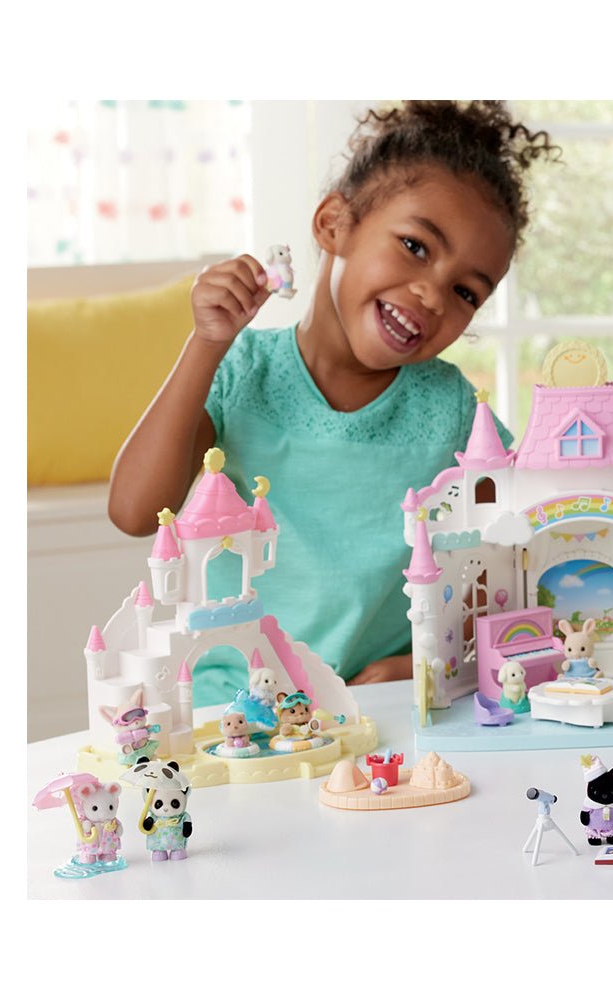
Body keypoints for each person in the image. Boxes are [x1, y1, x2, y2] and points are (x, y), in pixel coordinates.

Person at [109, 101, 558, 702]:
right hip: (230, 708)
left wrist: (434, 656)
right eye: (415, 246)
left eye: (465, 292)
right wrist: (207, 344)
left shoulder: (452, 408)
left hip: (374, 711)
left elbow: (521, 552)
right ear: (333, 224)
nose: (432, 295)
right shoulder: (243, 370)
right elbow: (136, 511)